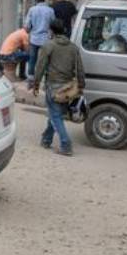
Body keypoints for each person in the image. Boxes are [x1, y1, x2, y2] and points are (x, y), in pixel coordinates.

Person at [33, 19, 85, 157]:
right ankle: (46, 139)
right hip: (68, 89)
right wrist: (81, 85)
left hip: (53, 86)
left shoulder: (48, 46)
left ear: (51, 31)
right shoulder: (73, 48)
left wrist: (36, 84)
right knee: (55, 114)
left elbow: (40, 66)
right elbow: (80, 68)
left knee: (55, 116)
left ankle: (66, 144)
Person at [25, 0, 55, 88]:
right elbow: (53, 25)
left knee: (32, 60)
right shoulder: (50, 10)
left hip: (34, 39)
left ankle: (31, 82)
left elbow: (27, 27)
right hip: (46, 39)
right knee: (46, 61)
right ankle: (45, 83)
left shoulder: (32, 10)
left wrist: (30, 30)